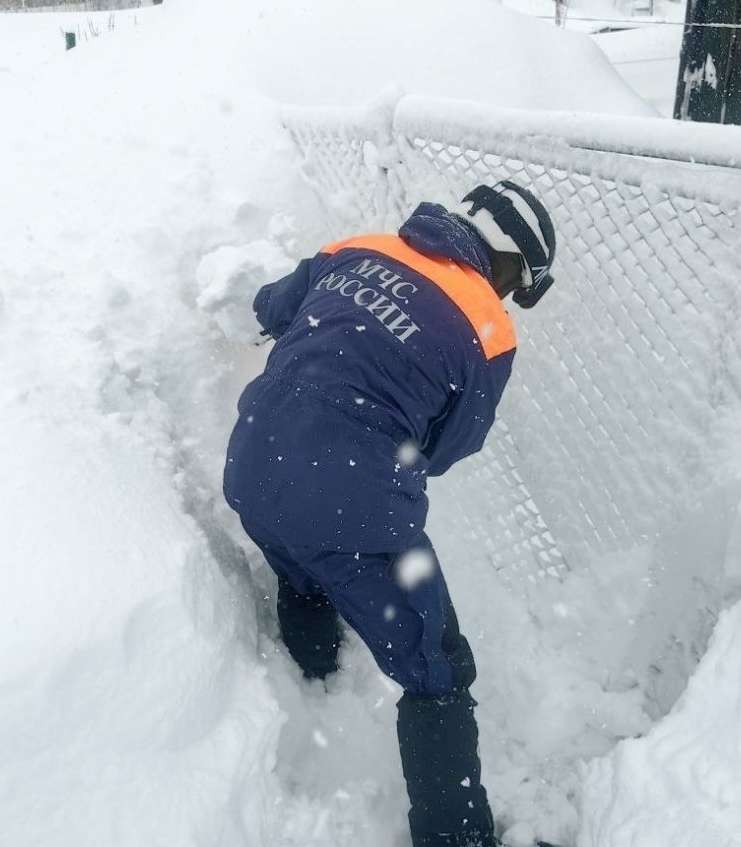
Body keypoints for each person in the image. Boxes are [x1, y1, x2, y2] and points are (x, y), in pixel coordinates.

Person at [223, 181, 557, 847]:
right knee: (439, 668)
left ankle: (314, 679)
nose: (512, 296)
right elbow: (446, 446)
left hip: (250, 465)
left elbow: (271, 306)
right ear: (507, 258)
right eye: (521, 280)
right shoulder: (488, 330)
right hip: (349, 502)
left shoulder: (357, 248)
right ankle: (456, 838)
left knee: (302, 571)